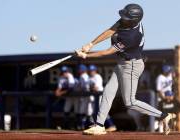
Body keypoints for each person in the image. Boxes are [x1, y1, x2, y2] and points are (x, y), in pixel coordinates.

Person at [75, 3, 174, 135]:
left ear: (134, 20)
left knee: (130, 102)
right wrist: (90, 44)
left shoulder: (132, 36)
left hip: (131, 66)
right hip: (122, 63)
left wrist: (86, 55)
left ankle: (163, 115)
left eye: (127, 17)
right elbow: (110, 30)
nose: (123, 18)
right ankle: (99, 125)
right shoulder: (128, 22)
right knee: (107, 92)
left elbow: (107, 52)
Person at [88, 64, 117, 132]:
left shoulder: (97, 77)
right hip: (95, 96)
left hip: (101, 95)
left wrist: (90, 88)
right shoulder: (90, 78)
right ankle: (96, 125)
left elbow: (96, 88)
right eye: (90, 70)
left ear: (95, 71)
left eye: (93, 70)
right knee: (94, 112)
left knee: (102, 112)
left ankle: (112, 125)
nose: (91, 72)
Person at [77, 64, 90, 130]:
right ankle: (83, 126)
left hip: (86, 95)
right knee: (85, 112)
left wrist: (80, 89)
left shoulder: (83, 76)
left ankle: (83, 125)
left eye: (80, 70)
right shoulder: (84, 76)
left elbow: (85, 87)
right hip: (85, 96)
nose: (79, 71)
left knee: (85, 112)